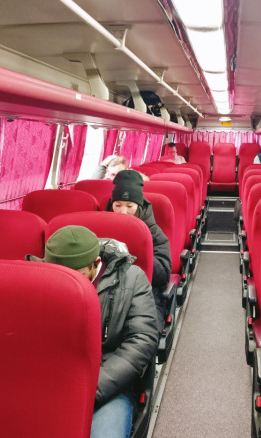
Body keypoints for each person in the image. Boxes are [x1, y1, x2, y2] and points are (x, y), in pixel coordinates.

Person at [26, 225, 158, 438]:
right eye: (60, 275)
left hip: (107, 382)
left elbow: (142, 339)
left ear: (96, 263)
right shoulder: (37, 278)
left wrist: (92, 388)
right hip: (53, 379)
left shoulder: (132, 279)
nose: (66, 282)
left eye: (75, 275)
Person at [105, 170, 171, 328]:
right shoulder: (101, 225)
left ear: (139, 206)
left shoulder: (153, 232)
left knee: (140, 329)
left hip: (144, 292)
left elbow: (163, 274)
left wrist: (137, 253)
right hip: (107, 292)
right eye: (117, 205)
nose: (123, 212)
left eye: (130, 206)